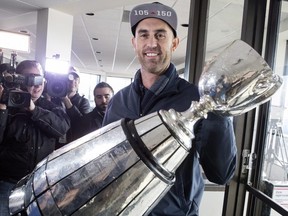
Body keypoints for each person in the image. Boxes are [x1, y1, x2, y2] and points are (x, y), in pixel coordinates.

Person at [102, 2, 237, 216]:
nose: (151, 43)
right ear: (134, 42)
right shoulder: (118, 101)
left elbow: (221, 174)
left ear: (174, 43)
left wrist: (220, 109)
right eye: (144, 35)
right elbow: (108, 161)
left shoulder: (196, 99)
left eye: (160, 35)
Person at [0, 60, 70, 216]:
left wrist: (33, 109)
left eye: (40, 79)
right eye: (30, 79)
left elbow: (61, 128)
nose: (36, 85)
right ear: (18, 79)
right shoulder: (6, 105)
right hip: (8, 182)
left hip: (40, 185)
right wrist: (2, 107)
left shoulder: (50, 106)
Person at [51, 66, 91, 146]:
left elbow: (83, 124)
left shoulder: (83, 102)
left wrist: (66, 101)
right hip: (53, 143)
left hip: (73, 144)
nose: (73, 82)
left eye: (76, 79)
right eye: (69, 79)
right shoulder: (54, 100)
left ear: (79, 82)